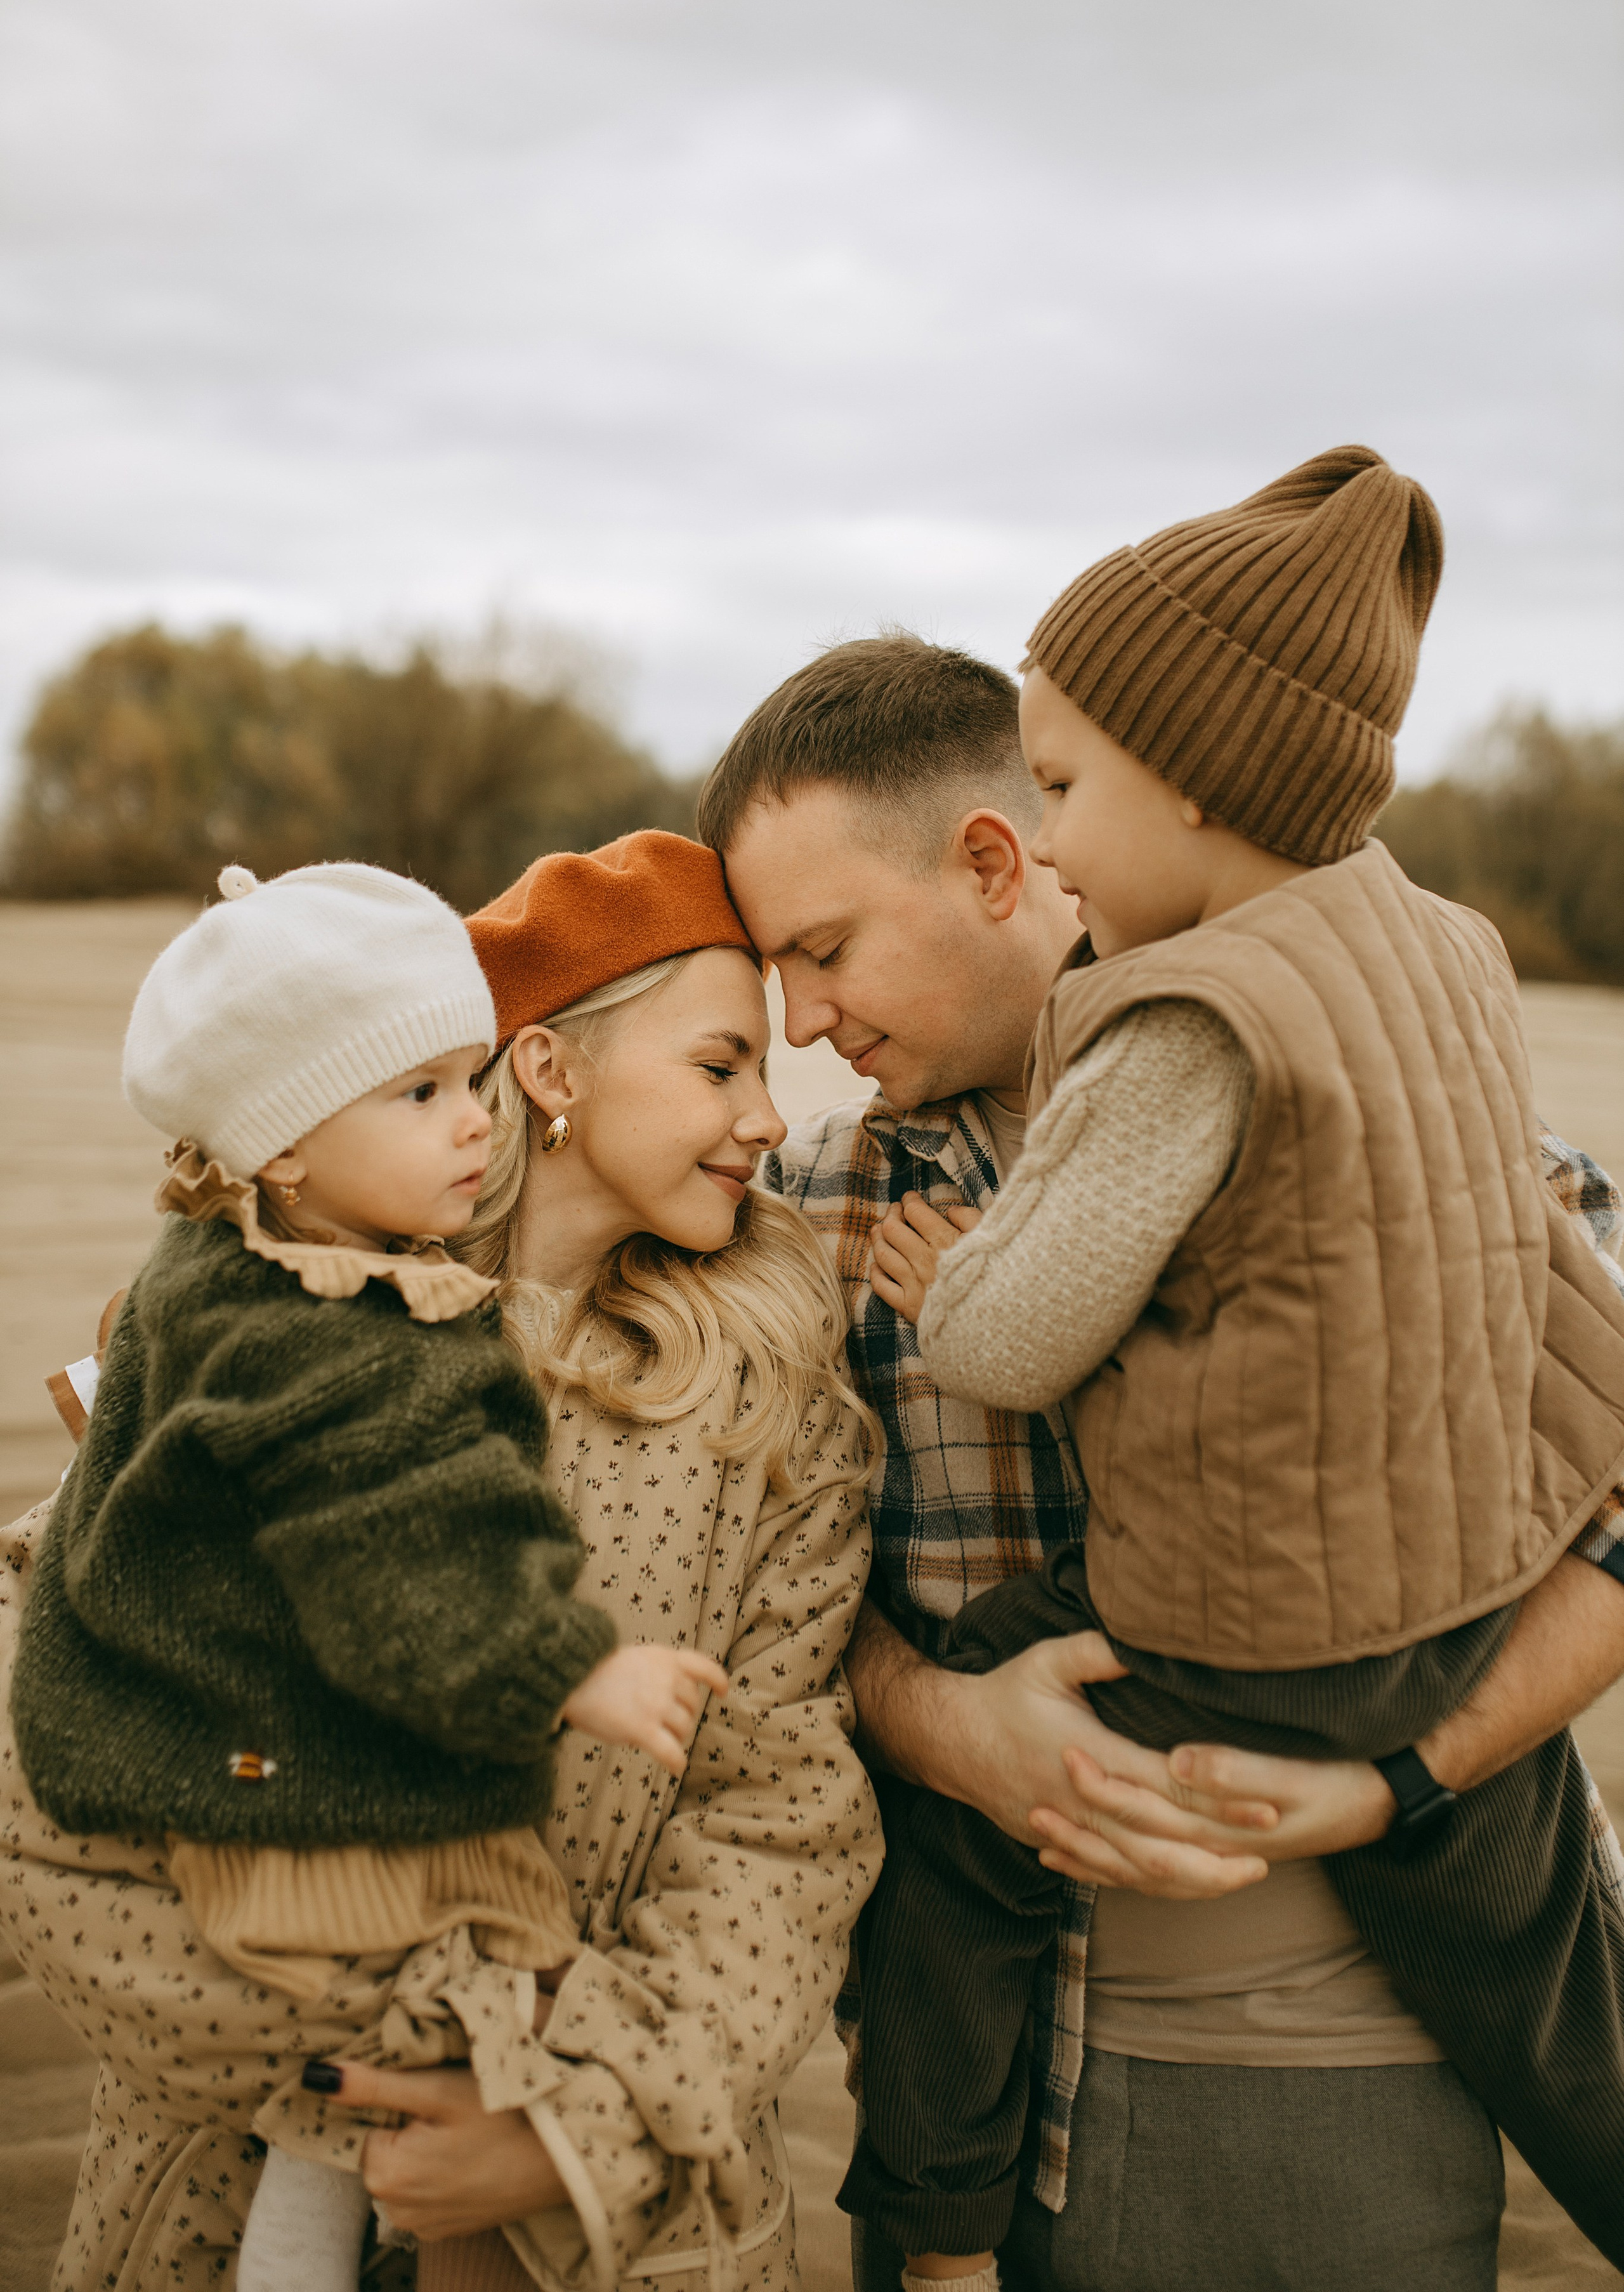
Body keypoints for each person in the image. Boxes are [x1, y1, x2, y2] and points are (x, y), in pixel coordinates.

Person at [698, 619, 1624, 2291]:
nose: (801, 1018)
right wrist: (955, 1728)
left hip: (1383, 2072)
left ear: (996, 860)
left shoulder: (1428, 1135)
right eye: (773, 974)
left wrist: (1399, 1780)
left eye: (823, 949)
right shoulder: (807, 1225)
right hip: (1003, 2092)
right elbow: (721, 1604)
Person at [0, 830, 882, 2292]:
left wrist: (561, 2125)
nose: (769, 1122)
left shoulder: (776, 1410)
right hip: (224, 2182)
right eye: (720, 1066)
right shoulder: (250, 1336)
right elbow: (64, 1783)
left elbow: (781, 1824)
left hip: (624, 2226)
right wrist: (365, 2099)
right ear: (550, 1072)